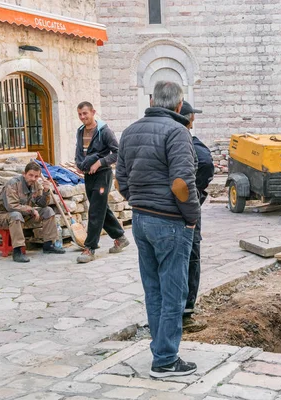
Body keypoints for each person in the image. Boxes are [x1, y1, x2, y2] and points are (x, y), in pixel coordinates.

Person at [116, 81, 201, 378]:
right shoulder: (177, 132)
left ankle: (161, 350)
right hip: (170, 222)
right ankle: (165, 359)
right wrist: (191, 217)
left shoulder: (130, 131)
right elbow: (181, 184)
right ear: (179, 105)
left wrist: (137, 201)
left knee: (153, 290)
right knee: (174, 292)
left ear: (152, 100)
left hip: (140, 220)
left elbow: (121, 180)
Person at [75, 101, 129, 263]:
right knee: (100, 208)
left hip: (103, 175)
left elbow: (118, 153)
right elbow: (79, 151)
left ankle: (89, 248)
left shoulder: (104, 131)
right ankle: (120, 237)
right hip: (88, 175)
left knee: (95, 210)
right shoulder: (80, 131)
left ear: (93, 112)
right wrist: (79, 165)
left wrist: (100, 163)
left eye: (85, 113)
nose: (82, 117)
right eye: (79, 114)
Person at [179, 101, 214, 333]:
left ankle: (167, 312)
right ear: (189, 119)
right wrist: (195, 194)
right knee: (190, 257)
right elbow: (206, 164)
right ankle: (186, 311)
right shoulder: (188, 142)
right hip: (186, 210)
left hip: (157, 212)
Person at [0, 161, 66, 263]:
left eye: (36, 176)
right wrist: (31, 209)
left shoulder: (36, 184)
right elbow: (11, 206)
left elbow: (42, 204)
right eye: (30, 175)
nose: (33, 179)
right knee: (15, 215)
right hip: (2, 216)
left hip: (25, 216)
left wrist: (46, 191)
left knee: (48, 211)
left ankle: (48, 245)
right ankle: (17, 251)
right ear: (24, 174)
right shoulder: (13, 184)